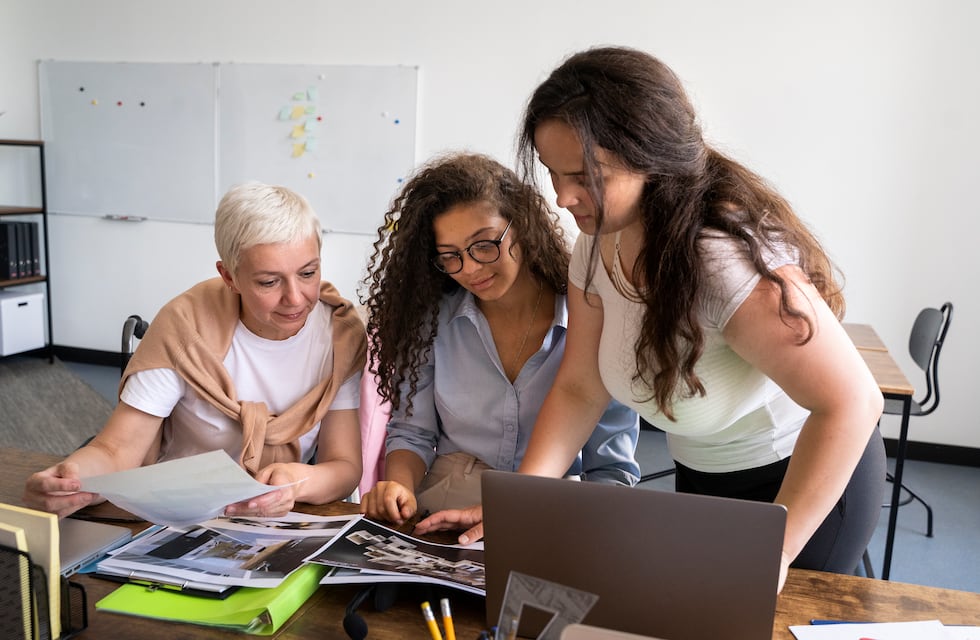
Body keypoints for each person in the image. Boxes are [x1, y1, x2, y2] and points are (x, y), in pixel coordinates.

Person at [415, 47, 886, 588]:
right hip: (706, 472)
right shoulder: (595, 246)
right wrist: (521, 502)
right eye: (552, 173)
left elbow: (854, 402)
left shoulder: (720, 261)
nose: (564, 197)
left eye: (584, 176)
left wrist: (777, 552)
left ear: (648, 157)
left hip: (805, 483)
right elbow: (579, 388)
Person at [24, 181, 366, 519]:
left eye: (308, 273)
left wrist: (296, 482)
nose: (295, 298)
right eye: (268, 282)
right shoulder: (185, 326)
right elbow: (117, 449)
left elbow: (344, 465)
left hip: (278, 517)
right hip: (174, 511)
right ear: (229, 276)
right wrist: (68, 479)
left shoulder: (340, 335)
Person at [358, 152, 639, 526]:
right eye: (450, 256)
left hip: (552, 508)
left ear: (521, 225)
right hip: (444, 503)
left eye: (484, 244)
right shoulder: (433, 320)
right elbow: (412, 433)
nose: (470, 268)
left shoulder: (591, 321)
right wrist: (399, 486)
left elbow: (612, 471)